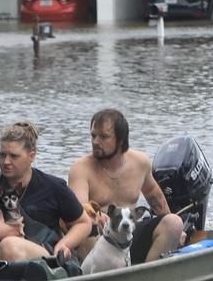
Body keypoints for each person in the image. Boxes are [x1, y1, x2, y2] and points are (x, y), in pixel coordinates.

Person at [0, 121, 91, 264]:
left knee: (10, 246)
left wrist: (64, 244)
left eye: (13, 156)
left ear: (31, 156)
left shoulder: (54, 186)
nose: (6, 161)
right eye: (2, 155)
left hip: (42, 255)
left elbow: (83, 223)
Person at [68, 109, 184, 263]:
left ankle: (147, 277)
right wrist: (96, 215)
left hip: (130, 235)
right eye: (93, 135)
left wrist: (178, 232)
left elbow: (154, 196)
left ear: (121, 140)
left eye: (103, 137)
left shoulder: (140, 162)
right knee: (88, 228)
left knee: (174, 222)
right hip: (100, 244)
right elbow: (78, 208)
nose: (95, 141)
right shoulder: (81, 168)